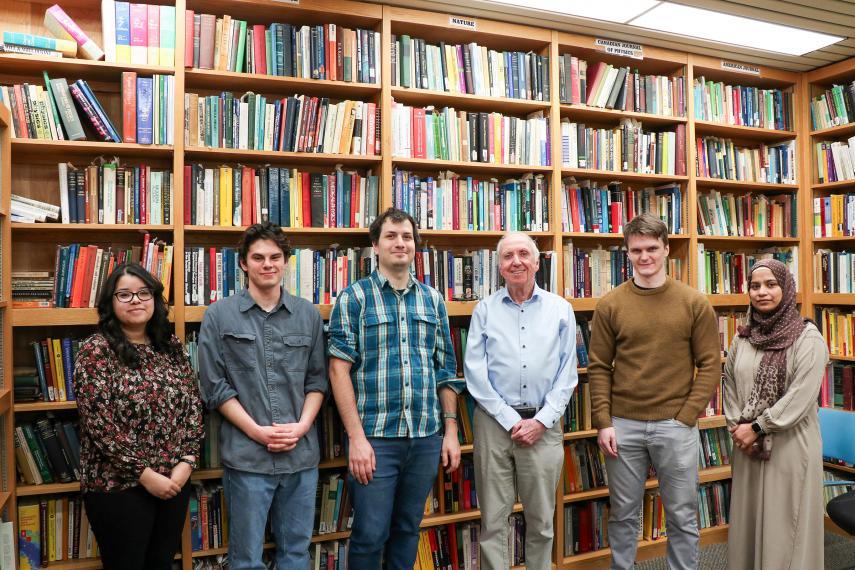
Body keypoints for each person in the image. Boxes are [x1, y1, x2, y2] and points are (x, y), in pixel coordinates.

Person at [328, 207, 462, 569]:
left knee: (407, 529)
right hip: (375, 439)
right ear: (375, 245)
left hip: (425, 436)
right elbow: (339, 371)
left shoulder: (433, 300)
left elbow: (445, 369)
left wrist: (450, 431)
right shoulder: (353, 298)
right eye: (391, 236)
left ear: (415, 245)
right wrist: (356, 438)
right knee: (370, 535)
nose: (400, 243)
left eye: (407, 236)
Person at [587, 213, 721, 570]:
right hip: (622, 426)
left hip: (675, 427)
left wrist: (686, 416)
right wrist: (603, 421)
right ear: (626, 253)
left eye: (651, 248)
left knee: (682, 516)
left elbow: (710, 365)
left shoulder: (694, 303)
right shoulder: (610, 304)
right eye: (636, 250)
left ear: (665, 249)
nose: (644, 257)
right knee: (623, 516)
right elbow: (599, 366)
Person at [197, 222, 328, 569]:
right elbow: (214, 386)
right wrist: (257, 432)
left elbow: (318, 381)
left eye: (275, 257)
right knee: (245, 560)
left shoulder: (308, 315)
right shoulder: (218, 315)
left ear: (286, 261)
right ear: (243, 263)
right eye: (258, 257)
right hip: (247, 459)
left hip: (301, 457)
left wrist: (300, 428)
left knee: (296, 555)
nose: (267, 264)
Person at [73, 263, 202, 570]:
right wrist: (145, 475)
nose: (136, 300)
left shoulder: (170, 347)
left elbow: (194, 408)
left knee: (160, 564)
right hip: (118, 488)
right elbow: (100, 425)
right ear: (110, 303)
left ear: (155, 299)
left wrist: (186, 462)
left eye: (144, 293)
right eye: (125, 294)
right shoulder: (95, 352)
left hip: (173, 483)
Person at [464, 232, 578, 570]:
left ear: (537, 262)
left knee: (541, 521)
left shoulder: (561, 310)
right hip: (493, 425)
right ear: (499, 266)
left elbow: (567, 374)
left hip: (544, 426)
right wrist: (511, 420)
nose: (516, 261)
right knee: (493, 522)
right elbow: (475, 374)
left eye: (524, 254)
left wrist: (541, 421)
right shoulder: (484, 310)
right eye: (508, 256)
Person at [723, 259, 828, 569]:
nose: (762, 292)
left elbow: (800, 398)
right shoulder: (742, 338)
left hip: (789, 447)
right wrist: (738, 428)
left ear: (786, 288)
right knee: (747, 526)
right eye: (755, 286)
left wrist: (758, 427)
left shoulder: (807, 337)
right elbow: (728, 385)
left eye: (771, 285)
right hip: (748, 448)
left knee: (786, 532)